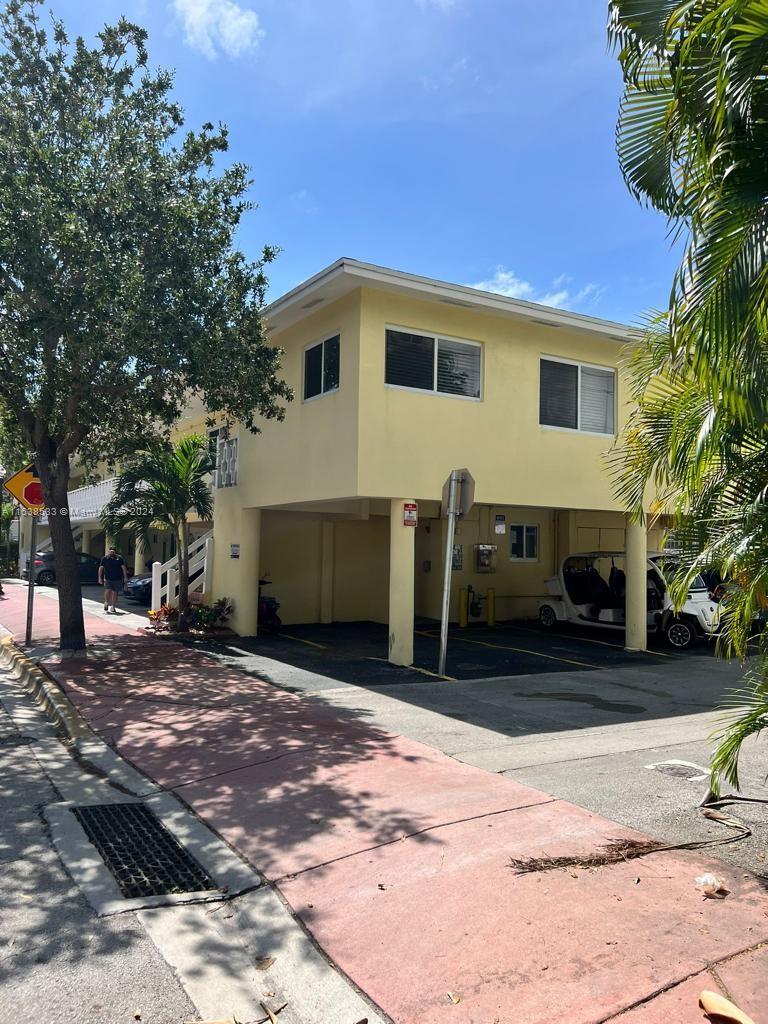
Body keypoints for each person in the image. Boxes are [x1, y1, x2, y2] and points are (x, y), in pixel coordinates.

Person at [98, 546, 128, 614]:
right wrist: (100, 577)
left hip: (118, 578)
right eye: (111, 551)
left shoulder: (119, 558)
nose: (112, 552)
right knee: (107, 590)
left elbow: (123, 567)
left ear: (115, 552)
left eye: (113, 551)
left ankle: (113, 606)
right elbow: (101, 568)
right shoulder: (105, 558)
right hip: (108, 578)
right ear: (109, 551)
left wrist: (125, 577)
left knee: (115, 592)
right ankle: (106, 602)